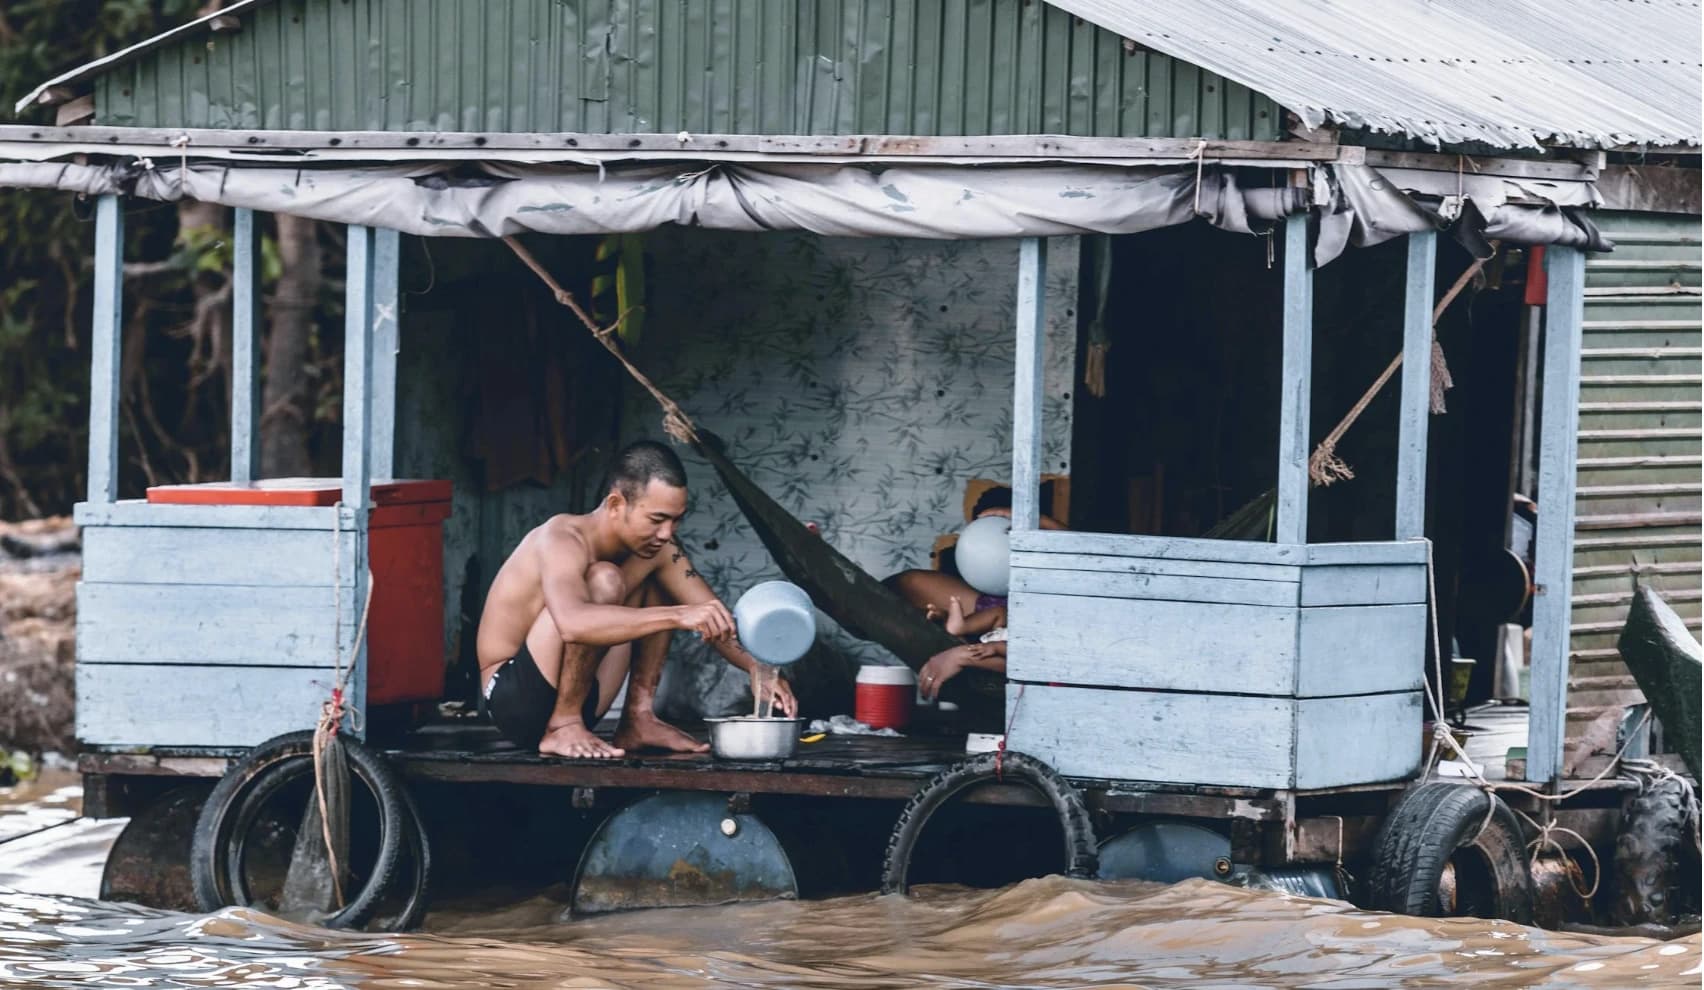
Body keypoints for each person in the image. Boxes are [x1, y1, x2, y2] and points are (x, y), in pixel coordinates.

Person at [476, 440, 796, 759]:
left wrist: (757, 669)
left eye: (676, 520)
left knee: (657, 570)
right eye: (657, 520)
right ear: (616, 505)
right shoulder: (561, 538)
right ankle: (564, 723)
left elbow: (712, 615)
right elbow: (572, 624)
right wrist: (676, 615)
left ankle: (639, 718)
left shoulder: (657, 549)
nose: (667, 532)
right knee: (605, 580)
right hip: (514, 699)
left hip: (583, 697)